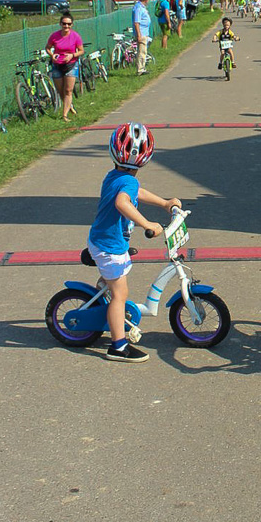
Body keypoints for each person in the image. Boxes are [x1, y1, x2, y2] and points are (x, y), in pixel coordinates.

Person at [88, 122, 181, 363]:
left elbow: (135, 192)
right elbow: (123, 202)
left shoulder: (116, 176)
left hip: (104, 240)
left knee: (113, 285)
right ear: (146, 158)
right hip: (109, 245)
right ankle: (118, 346)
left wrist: (163, 203)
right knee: (121, 294)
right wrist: (148, 224)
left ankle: (102, 294)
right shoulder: (126, 182)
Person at [45, 12, 83, 122]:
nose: (66, 26)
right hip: (57, 65)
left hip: (71, 65)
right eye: (64, 24)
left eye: (69, 24)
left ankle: (64, 115)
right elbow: (47, 48)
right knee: (60, 91)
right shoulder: (54, 36)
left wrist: (72, 55)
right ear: (60, 24)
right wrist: (52, 55)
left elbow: (81, 51)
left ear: (72, 25)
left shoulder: (75, 36)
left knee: (68, 90)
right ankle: (69, 105)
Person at [132, 0, 151, 76]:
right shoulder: (138, 8)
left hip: (144, 32)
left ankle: (142, 67)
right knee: (141, 51)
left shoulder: (141, 7)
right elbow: (136, 22)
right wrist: (139, 35)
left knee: (144, 51)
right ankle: (140, 69)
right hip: (141, 33)